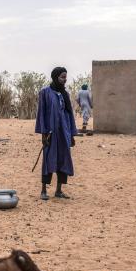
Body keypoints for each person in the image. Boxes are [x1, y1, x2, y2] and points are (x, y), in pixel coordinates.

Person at [35, 67, 77, 200]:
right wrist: (43, 134)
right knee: (48, 159)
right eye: (62, 77)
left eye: (65, 77)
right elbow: (41, 113)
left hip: (64, 132)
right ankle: (43, 191)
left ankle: (59, 191)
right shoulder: (45, 93)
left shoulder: (65, 94)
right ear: (55, 77)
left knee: (63, 159)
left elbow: (69, 115)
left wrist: (71, 134)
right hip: (50, 133)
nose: (65, 80)